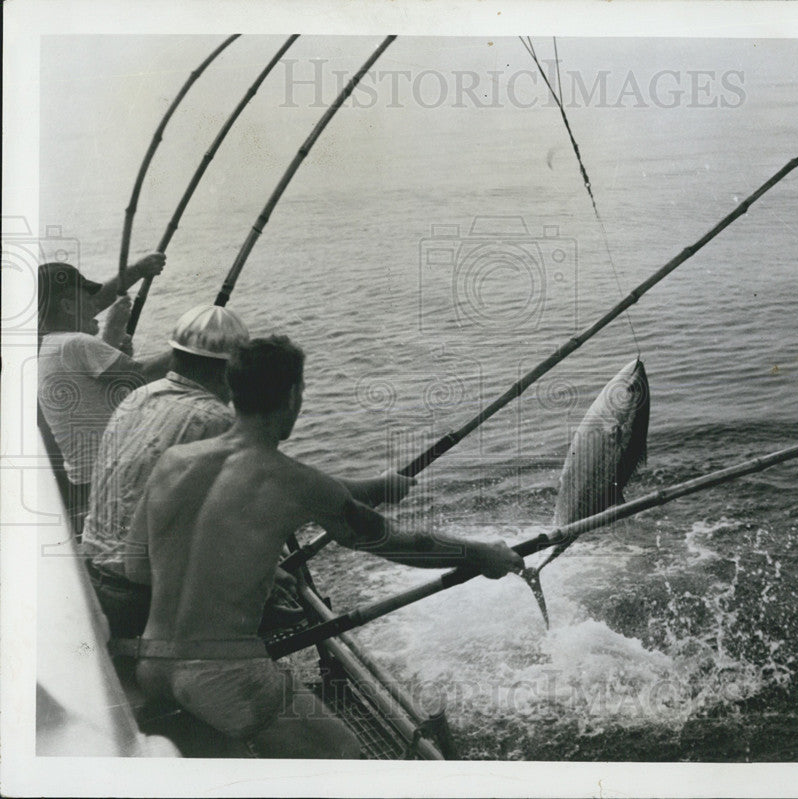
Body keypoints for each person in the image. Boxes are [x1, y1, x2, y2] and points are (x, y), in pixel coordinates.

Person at [124, 336, 524, 758]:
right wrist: (482, 554)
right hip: (224, 675)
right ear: (294, 395)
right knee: (348, 764)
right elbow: (399, 543)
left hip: (151, 664)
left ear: (233, 389)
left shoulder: (173, 461)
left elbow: (136, 566)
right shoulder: (292, 480)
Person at [81, 304, 250, 639]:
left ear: (175, 356)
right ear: (232, 369)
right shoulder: (216, 419)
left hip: (94, 577)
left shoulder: (138, 396)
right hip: (138, 600)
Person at [37, 258, 173, 535]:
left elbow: (111, 395)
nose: (94, 304)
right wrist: (191, 345)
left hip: (90, 486)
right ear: (66, 306)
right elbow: (140, 376)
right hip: (113, 484)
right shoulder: (75, 343)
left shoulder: (49, 348)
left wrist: (111, 342)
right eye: (86, 296)